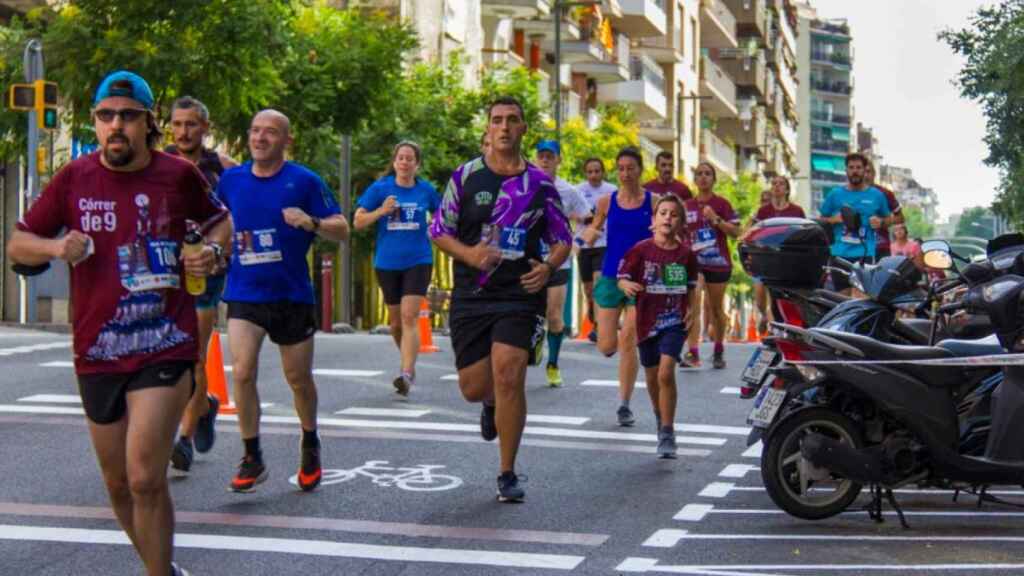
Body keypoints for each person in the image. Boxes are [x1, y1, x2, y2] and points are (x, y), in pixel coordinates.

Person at [8, 70, 231, 576]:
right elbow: (18, 243)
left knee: (145, 477)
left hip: (165, 342)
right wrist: (54, 246)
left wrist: (212, 252)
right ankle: (164, 566)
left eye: (128, 117)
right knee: (116, 484)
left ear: (148, 123)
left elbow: (221, 218)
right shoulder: (74, 177)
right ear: (95, 121)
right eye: (106, 116)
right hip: (97, 349)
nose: (116, 126)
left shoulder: (177, 175)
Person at [429, 96, 571, 502]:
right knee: (474, 388)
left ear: (523, 129)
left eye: (512, 120)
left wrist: (546, 267)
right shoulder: (465, 177)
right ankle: (488, 403)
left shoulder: (541, 184)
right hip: (472, 294)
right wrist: (470, 254)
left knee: (510, 373)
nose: (504, 127)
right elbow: (439, 230)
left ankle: (507, 472)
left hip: (519, 291)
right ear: (488, 129)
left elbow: (563, 239)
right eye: (497, 121)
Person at [218, 109, 350, 493]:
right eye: (256, 131)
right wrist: (212, 248)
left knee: (298, 379)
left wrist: (310, 223)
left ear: (286, 140)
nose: (260, 138)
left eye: (270, 133)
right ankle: (252, 454)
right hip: (244, 292)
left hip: (291, 295)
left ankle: (310, 441)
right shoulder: (232, 180)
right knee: (241, 371)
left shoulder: (304, 181)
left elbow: (342, 229)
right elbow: (217, 222)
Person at [165, 95, 239, 475]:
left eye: (191, 124)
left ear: (205, 128)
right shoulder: (157, 164)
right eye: (177, 124)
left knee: (193, 354)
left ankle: (185, 438)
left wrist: (220, 248)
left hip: (205, 274)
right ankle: (206, 403)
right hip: (162, 273)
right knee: (164, 356)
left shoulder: (223, 170)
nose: (183, 132)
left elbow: (241, 212)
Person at [354, 141, 439, 395]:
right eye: (400, 158)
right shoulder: (381, 189)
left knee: (409, 316)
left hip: (419, 260)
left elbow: (442, 218)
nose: (404, 162)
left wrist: (436, 229)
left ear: (417, 164)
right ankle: (406, 362)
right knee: (395, 324)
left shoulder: (426, 190)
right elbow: (358, 222)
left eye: (409, 158)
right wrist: (381, 211)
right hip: (387, 262)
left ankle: (406, 372)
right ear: (394, 163)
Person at [617, 194, 698, 458]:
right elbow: (622, 277)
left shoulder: (686, 254)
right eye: (663, 213)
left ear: (681, 223)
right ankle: (659, 415)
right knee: (652, 377)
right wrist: (626, 285)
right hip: (646, 321)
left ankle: (667, 430)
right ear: (653, 220)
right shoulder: (640, 250)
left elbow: (691, 288)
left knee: (665, 373)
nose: (667, 218)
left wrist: (692, 310)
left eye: (674, 214)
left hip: (674, 321)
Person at [581, 147, 653, 426]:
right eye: (621, 168)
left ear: (639, 170)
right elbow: (593, 229)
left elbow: (664, 231)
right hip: (611, 276)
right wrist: (582, 239)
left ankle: (624, 404)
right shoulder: (606, 202)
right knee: (606, 346)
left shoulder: (653, 201)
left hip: (640, 280)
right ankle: (609, 335)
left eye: (630, 168)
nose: (625, 173)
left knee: (628, 340)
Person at [534, 140, 589, 386]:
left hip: (558, 261)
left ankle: (553, 363)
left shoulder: (569, 191)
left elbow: (588, 218)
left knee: (554, 315)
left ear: (559, 160)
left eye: (550, 156)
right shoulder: (525, 185)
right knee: (527, 314)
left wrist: (576, 243)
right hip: (529, 259)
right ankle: (534, 342)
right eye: (541, 156)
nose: (545, 160)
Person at [682, 162, 740, 370]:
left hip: (718, 263)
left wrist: (715, 219)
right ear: (695, 179)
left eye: (708, 174)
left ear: (714, 180)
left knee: (716, 309)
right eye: (699, 174)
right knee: (694, 303)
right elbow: (680, 233)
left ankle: (718, 349)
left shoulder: (722, 204)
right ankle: (693, 352)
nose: (704, 177)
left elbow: (736, 232)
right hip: (694, 263)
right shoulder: (686, 205)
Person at [820, 153, 892, 293]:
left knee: (861, 299)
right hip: (840, 254)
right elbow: (821, 220)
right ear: (846, 170)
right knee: (843, 298)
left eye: (858, 167)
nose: (855, 171)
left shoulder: (877, 195)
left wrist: (881, 222)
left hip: (865, 254)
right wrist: (834, 219)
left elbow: (889, 219)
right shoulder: (835, 194)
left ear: (865, 170)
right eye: (851, 167)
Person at [747, 176, 805, 333]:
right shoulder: (763, 211)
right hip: (763, 258)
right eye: (774, 183)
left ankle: (775, 329)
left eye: (781, 184)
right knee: (759, 295)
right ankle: (765, 315)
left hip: (785, 261)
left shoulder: (796, 211)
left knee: (777, 295)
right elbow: (751, 233)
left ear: (787, 189)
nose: (777, 186)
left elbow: (803, 235)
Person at [575, 157, 617, 343]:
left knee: (599, 282)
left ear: (603, 172)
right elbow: (567, 211)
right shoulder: (578, 190)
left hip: (604, 243)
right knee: (588, 290)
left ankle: (600, 328)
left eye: (597, 171)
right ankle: (593, 318)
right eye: (590, 171)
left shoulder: (611, 191)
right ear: (586, 173)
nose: (593, 175)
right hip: (585, 244)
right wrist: (582, 218)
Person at [865, 161, 904, 259]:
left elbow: (900, 218)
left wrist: (883, 222)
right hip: (855, 248)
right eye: (863, 171)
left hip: (880, 247)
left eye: (868, 171)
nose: (865, 175)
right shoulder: (847, 194)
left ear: (874, 174)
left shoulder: (885, 193)